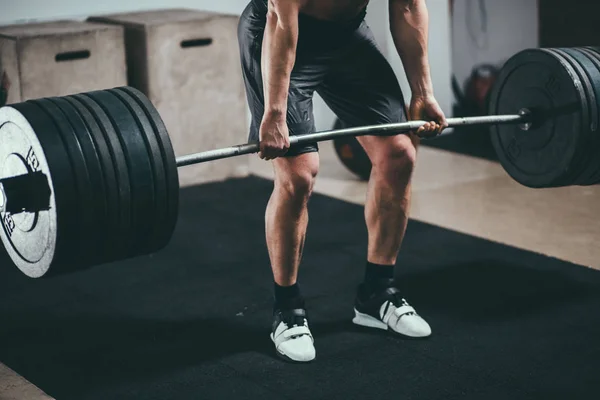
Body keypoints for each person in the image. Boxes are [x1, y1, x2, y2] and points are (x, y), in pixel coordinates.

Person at [237, 0, 448, 363]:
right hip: (281, 33)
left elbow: (409, 6)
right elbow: (281, 23)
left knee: (400, 155)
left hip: (346, 35)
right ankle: (287, 311)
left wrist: (422, 90)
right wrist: (274, 112)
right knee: (299, 175)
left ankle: (376, 294)